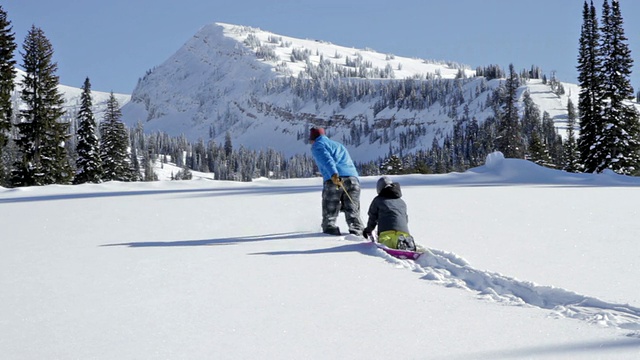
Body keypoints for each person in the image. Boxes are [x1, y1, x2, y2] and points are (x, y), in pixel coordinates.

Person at [309, 127, 364, 236]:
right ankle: (358, 232)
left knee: (330, 212)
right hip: (353, 180)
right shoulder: (338, 145)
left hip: (335, 179)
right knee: (352, 210)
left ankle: (330, 234)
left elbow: (326, 159)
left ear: (313, 138)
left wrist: (334, 174)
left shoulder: (318, 145)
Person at [362, 176, 416, 251]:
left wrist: (368, 230)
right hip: (404, 231)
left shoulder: (378, 200)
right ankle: (406, 241)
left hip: (386, 230)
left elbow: (372, 217)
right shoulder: (401, 201)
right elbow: (405, 218)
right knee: (399, 236)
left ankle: (398, 242)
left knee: (385, 241)